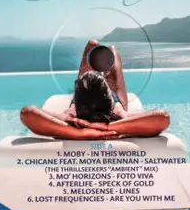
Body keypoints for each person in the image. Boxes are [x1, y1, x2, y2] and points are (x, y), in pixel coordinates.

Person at [20, 39, 170, 140]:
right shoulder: (118, 115)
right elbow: (162, 118)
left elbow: (27, 113)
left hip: (86, 101)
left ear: (75, 100)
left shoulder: (72, 118)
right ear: (110, 97)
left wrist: (78, 132)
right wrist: (107, 127)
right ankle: (106, 61)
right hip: (101, 105)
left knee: (94, 45)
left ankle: (95, 66)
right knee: (112, 52)